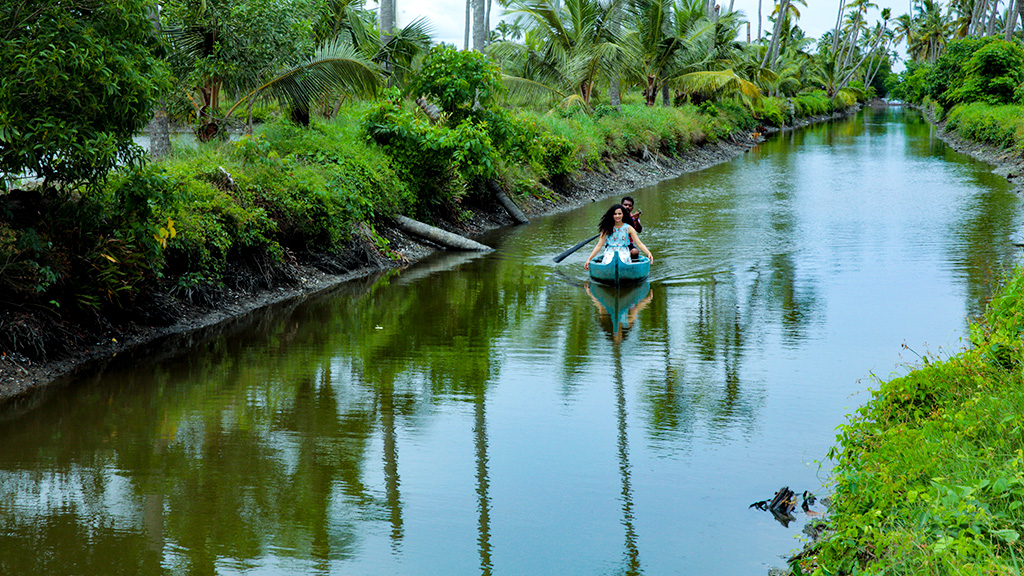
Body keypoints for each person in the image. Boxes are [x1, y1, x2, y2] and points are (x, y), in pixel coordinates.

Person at [583, 204, 653, 271]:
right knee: (608, 260)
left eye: (619, 214)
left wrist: (648, 253)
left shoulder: (629, 228)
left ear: (623, 214)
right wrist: (589, 259)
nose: (617, 216)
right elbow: (599, 245)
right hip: (610, 251)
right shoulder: (606, 228)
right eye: (615, 214)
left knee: (623, 259)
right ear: (612, 215)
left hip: (624, 251)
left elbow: (639, 243)